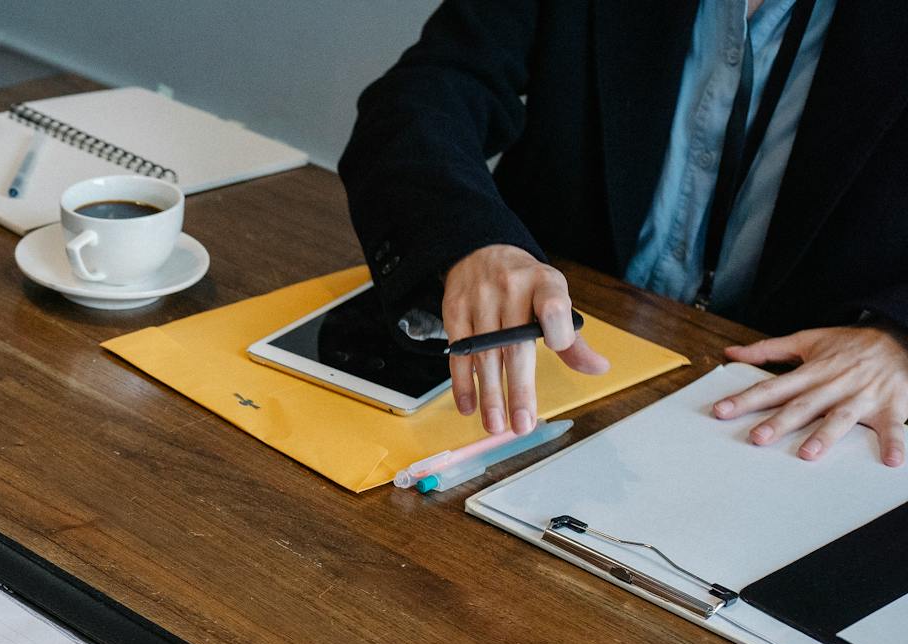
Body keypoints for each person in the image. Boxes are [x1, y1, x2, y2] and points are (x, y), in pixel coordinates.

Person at [339, 0, 908, 467]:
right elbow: (422, 95)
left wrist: (898, 337)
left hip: (792, 417)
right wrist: (471, 238)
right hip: (559, 377)